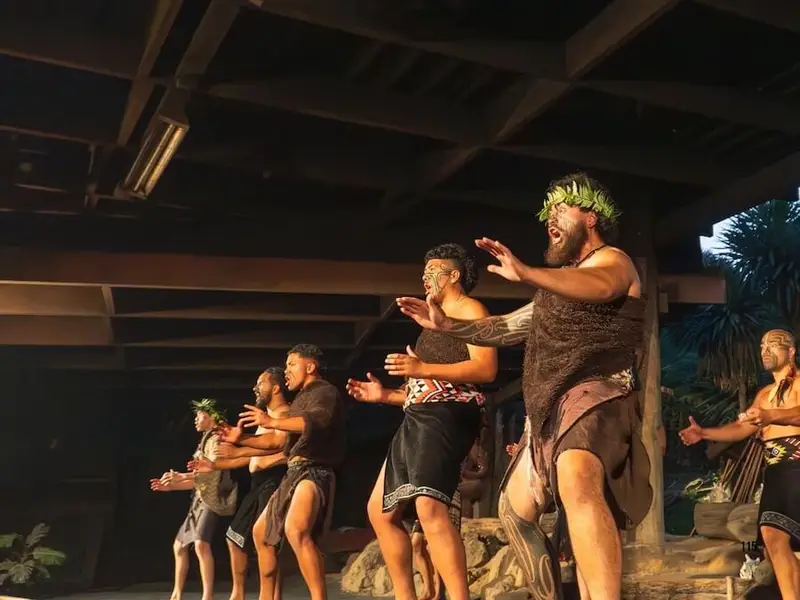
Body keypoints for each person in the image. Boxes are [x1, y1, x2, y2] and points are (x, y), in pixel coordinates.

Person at [396, 173, 652, 600]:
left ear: (591, 218)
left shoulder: (614, 261)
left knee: (575, 479)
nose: (550, 219)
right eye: (546, 214)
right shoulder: (558, 285)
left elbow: (600, 286)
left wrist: (529, 273)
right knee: (514, 511)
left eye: (560, 210)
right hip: (550, 407)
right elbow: (506, 328)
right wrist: (450, 327)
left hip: (596, 393)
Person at [347, 243, 497, 600]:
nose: (424, 278)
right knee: (379, 512)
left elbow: (486, 369)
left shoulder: (471, 309)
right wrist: (385, 396)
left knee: (429, 506)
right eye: (423, 272)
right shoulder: (431, 323)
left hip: (447, 417)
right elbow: (427, 385)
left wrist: (420, 368)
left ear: (453, 275)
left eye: (432, 271)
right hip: (419, 415)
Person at [680, 329, 799, 600]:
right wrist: (705, 433)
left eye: (774, 345)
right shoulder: (763, 394)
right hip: (776, 473)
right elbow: (739, 428)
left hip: (798, 467)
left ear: (791, 351)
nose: (765, 351)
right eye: (761, 346)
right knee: (772, 538)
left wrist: (772, 416)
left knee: (777, 538)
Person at [221, 344, 346, 600]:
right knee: (261, 533)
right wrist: (241, 439)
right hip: (294, 472)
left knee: (295, 530)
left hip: (314, 470)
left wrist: (271, 422)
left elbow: (313, 422)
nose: (286, 371)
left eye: (291, 365)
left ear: (310, 367)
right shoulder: (300, 399)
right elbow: (276, 443)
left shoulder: (325, 392)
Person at [188, 368, 291, 600]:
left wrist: (246, 449)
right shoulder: (266, 418)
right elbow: (251, 455)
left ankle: (273, 596)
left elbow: (286, 450)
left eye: (261, 383)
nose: (256, 388)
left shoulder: (285, 416)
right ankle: (239, 593)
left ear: (275, 388)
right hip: (258, 484)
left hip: (275, 481)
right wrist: (216, 465)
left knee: (269, 541)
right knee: (235, 536)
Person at [150, 398, 238, 600]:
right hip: (199, 499)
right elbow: (198, 479)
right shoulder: (206, 440)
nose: (196, 420)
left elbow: (211, 475)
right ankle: (177, 593)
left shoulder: (216, 440)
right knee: (179, 546)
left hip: (210, 500)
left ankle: (207, 596)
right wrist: (172, 485)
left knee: (200, 544)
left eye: (200, 416)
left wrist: (180, 478)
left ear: (211, 417)